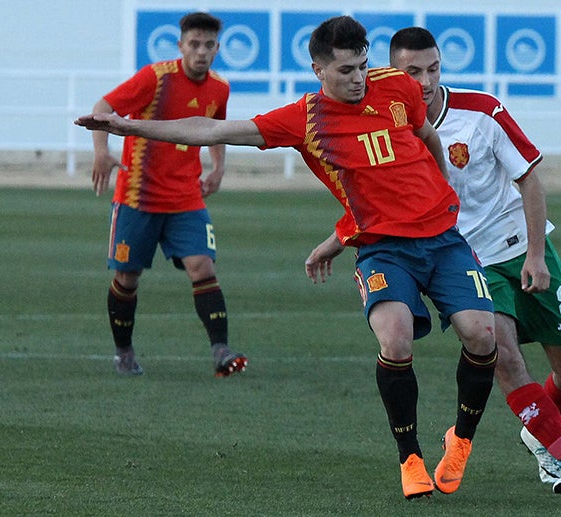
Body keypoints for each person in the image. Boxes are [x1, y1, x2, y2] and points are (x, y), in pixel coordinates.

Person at [76, 15, 498, 500]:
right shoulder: (305, 120)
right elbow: (208, 130)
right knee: (397, 339)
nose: (359, 78)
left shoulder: (397, 85)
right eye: (345, 71)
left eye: (363, 66)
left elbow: (425, 140)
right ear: (319, 70)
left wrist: (441, 187)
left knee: (482, 335)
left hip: (443, 240)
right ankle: (410, 457)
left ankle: (460, 440)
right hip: (382, 249)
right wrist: (125, 125)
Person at [388, 27, 561, 492]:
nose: (425, 80)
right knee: (505, 359)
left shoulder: (480, 111)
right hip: (465, 260)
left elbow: (530, 178)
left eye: (433, 69)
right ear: (394, 72)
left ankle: (540, 432)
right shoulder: (388, 126)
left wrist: (536, 256)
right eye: (412, 71)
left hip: (521, 246)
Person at [88, 11, 247, 378]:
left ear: (218, 48)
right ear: (181, 46)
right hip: (137, 197)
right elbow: (102, 109)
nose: (202, 52)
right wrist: (101, 150)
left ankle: (221, 351)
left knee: (202, 267)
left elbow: (216, 129)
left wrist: (218, 166)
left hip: (185, 198)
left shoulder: (219, 87)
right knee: (127, 278)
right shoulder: (155, 78)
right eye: (194, 44)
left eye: (209, 45)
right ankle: (124, 352)